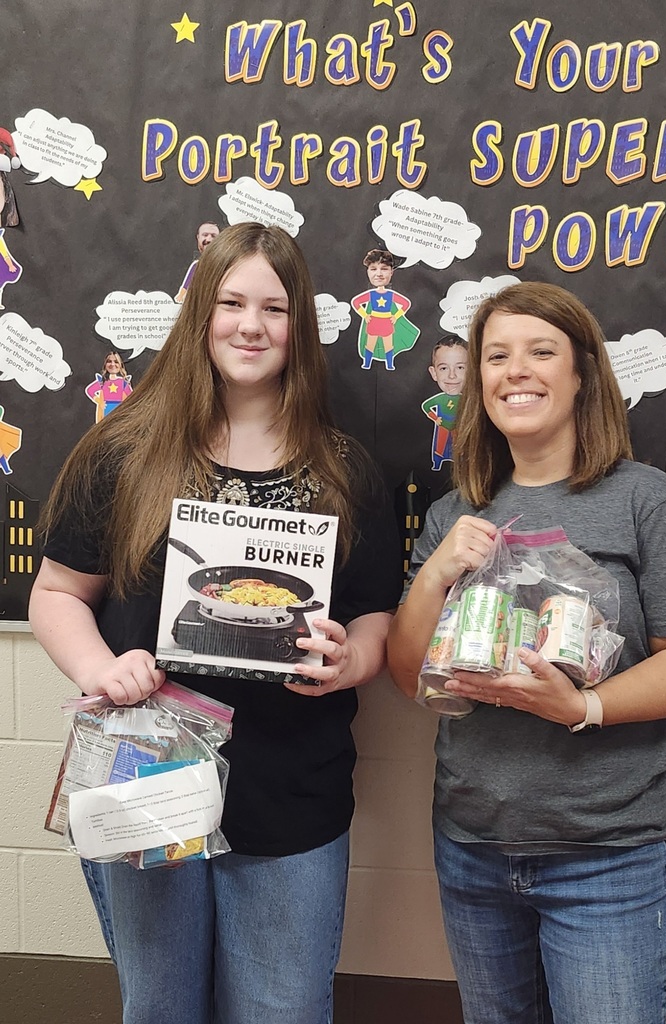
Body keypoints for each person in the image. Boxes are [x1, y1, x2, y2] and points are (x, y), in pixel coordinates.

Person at [30, 222, 403, 1024]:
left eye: (274, 307)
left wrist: (352, 660)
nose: (251, 325)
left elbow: (377, 616)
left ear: (298, 327)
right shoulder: (123, 451)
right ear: (200, 315)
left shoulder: (344, 467)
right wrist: (99, 669)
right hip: (142, 775)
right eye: (231, 302)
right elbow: (57, 592)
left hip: (292, 788)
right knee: (161, 1009)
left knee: (281, 1010)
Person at [387, 282, 666, 1024]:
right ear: (477, 381)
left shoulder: (648, 503)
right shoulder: (454, 511)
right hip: (472, 843)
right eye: (498, 355)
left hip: (607, 852)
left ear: (582, 375)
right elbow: (410, 675)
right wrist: (439, 570)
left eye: (543, 352)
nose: (519, 371)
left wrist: (584, 707)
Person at [352, 248, 419, 370]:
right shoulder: (371, 294)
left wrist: (396, 316)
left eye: (384, 269)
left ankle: (389, 364)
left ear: (391, 272)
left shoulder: (390, 295)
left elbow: (405, 304)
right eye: (373, 269)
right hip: (373, 322)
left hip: (387, 322)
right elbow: (356, 302)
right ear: (368, 271)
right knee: (370, 344)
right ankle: (367, 363)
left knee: (388, 345)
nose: (379, 273)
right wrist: (365, 315)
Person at [421, 336, 468, 471]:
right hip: (442, 427)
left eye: (460, 367)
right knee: (440, 446)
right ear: (434, 373)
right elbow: (426, 406)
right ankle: (437, 463)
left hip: (458, 429)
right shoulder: (440, 399)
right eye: (443, 368)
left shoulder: (470, 400)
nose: (451, 376)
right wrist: (436, 418)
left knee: (459, 447)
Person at [174, 220, 220, 303]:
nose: (209, 239)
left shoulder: (225, 266)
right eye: (205, 235)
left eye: (213, 236)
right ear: (198, 237)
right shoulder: (196, 266)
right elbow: (186, 284)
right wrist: (180, 296)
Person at [84, 351, 133, 422]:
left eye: (116, 362)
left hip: (119, 410)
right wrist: (99, 401)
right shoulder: (102, 381)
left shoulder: (123, 382)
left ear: (120, 365)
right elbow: (90, 390)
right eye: (109, 361)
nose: (112, 364)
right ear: (105, 364)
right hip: (105, 410)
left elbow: (132, 396)